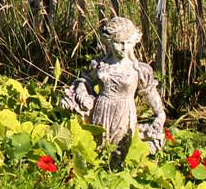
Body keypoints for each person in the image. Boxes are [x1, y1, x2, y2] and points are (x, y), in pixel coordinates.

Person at [60, 16, 166, 156]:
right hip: (102, 110)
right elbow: (84, 81)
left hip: (125, 112)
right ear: (109, 42)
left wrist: (160, 113)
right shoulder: (99, 65)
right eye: (118, 43)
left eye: (127, 43)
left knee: (121, 149)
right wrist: (83, 95)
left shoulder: (138, 69)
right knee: (99, 148)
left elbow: (150, 93)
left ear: (134, 42)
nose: (123, 48)